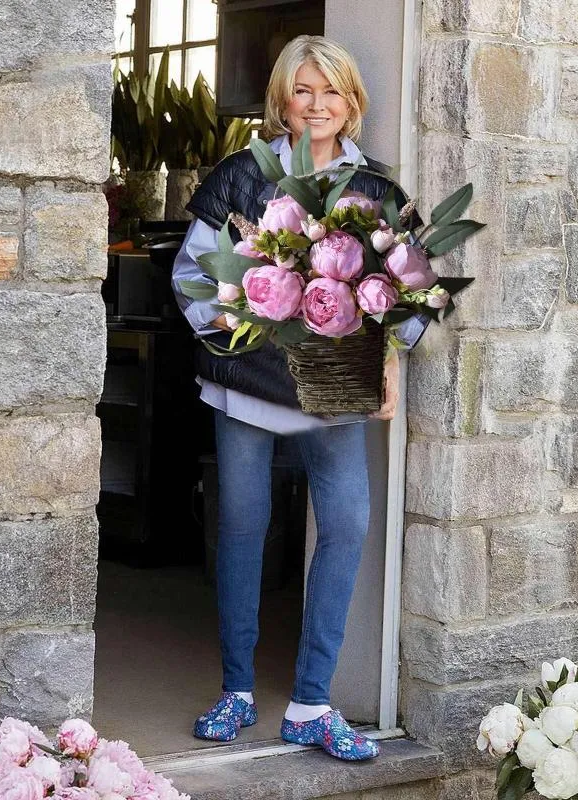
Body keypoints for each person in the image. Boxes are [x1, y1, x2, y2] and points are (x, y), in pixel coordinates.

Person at [171, 34, 426, 761]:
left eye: (332, 92)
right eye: (303, 91)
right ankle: (236, 691)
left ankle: (311, 704)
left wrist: (390, 367)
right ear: (283, 99)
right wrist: (233, 312)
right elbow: (192, 274)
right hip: (247, 385)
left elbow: (409, 295)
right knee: (245, 528)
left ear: (352, 102)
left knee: (346, 524)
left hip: (332, 393)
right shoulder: (241, 175)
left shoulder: (376, 190)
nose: (317, 106)